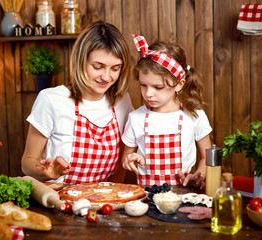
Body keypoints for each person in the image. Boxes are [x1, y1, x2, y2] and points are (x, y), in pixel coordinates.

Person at [21, 21, 133, 183]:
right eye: (98, 66)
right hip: (58, 202)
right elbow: (27, 162)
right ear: (81, 61)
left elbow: (123, 158)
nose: (107, 77)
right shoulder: (51, 100)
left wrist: (114, 194)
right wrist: (47, 171)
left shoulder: (122, 101)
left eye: (115, 68)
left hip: (104, 202)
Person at [121, 35, 212, 188]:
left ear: (179, 84)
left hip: (183, 196)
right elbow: (125, 158)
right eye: (143, 85)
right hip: (146, 198)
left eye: (158, 87)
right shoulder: (136, 118)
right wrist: (130, 160)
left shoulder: (194, 115)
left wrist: (199, 176)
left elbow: (207, 158)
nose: (148, 93)